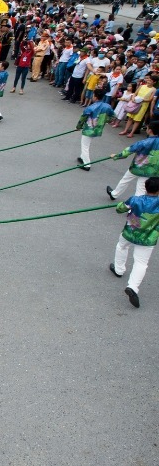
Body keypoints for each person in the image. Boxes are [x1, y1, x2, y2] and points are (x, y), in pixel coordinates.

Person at [110, 177, 159, 308]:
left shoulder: (135, 199)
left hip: (130, 231)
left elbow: (120, 209)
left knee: (121, 246)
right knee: (141, 262)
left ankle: (119, 269)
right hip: (148, 237)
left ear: (146, 187)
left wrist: (120, 205)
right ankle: (133, 286)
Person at [107, 121, 159, 200]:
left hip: (137, 167)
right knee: (141, 188)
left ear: (150, 130)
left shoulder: (143, 143)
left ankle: (114, 194)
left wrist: (116, 156)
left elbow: (128, 151)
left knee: (125, 180)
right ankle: (136, 207)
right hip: (151, 170)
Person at [76, 89, 115, 171]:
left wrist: (78, 126)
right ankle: (82, 157)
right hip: (98, 129)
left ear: (95, 97)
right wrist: (104, 121)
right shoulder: (107, 106)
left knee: (85, 146)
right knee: (87, 144)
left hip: (88, 129)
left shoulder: (90, 108)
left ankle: (87, 164)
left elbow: (83, 118)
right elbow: (113, 117)